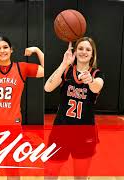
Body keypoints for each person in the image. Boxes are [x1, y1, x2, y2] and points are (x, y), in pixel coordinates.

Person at [44, 37, 105, 179]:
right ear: (75, 52)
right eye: (80, 48)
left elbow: (97, 87)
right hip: (61, 131)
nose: (84, 52)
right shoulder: (66, 72)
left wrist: (90, 80)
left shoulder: (97, 74)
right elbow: (47, 87)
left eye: (88, 49)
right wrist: (64, 63)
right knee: (50, 174)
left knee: (80, 176)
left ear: (92, 54)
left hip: (84, 133)